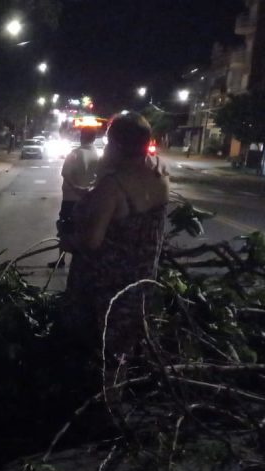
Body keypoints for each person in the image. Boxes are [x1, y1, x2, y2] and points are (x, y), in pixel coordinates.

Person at [61, 112, 169, 359]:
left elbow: (91, 242)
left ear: (117, 145)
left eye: (109, 142)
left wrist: (67, 240)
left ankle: (104, 395)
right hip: (140, 283)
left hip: (105, 290)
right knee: (126, 352)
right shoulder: (160, 177)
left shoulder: (112, 187)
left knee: (97, 356)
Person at [50, 128, 100, 268]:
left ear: (81, 137)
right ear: (94, 138)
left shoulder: (75, 153)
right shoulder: (98, 155)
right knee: (84, 228)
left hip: (71, 198)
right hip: (89, 198)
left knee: (65, 227)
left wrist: (76, 188)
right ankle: (83, 260)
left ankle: (61, 259)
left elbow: (65, 173)